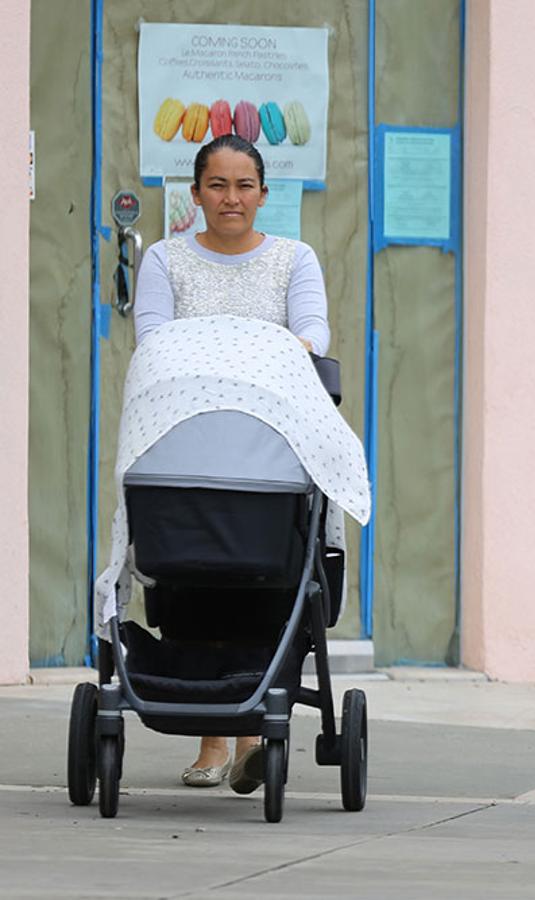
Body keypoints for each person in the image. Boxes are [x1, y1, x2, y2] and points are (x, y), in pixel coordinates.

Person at [133, 134, 330, 793]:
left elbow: (312, 334)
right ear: (195, 195)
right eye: (217, 185)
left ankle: (252, 731)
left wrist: (251, 359)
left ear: (263, 195)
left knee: (264, 575)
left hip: (268, 448)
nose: (231, 198)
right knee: (189, 578)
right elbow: (153, 339)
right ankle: (213, 737)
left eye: (244, 186)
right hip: (185, 443)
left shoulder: (294, 260)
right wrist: (248, 355)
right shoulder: (164, 259)